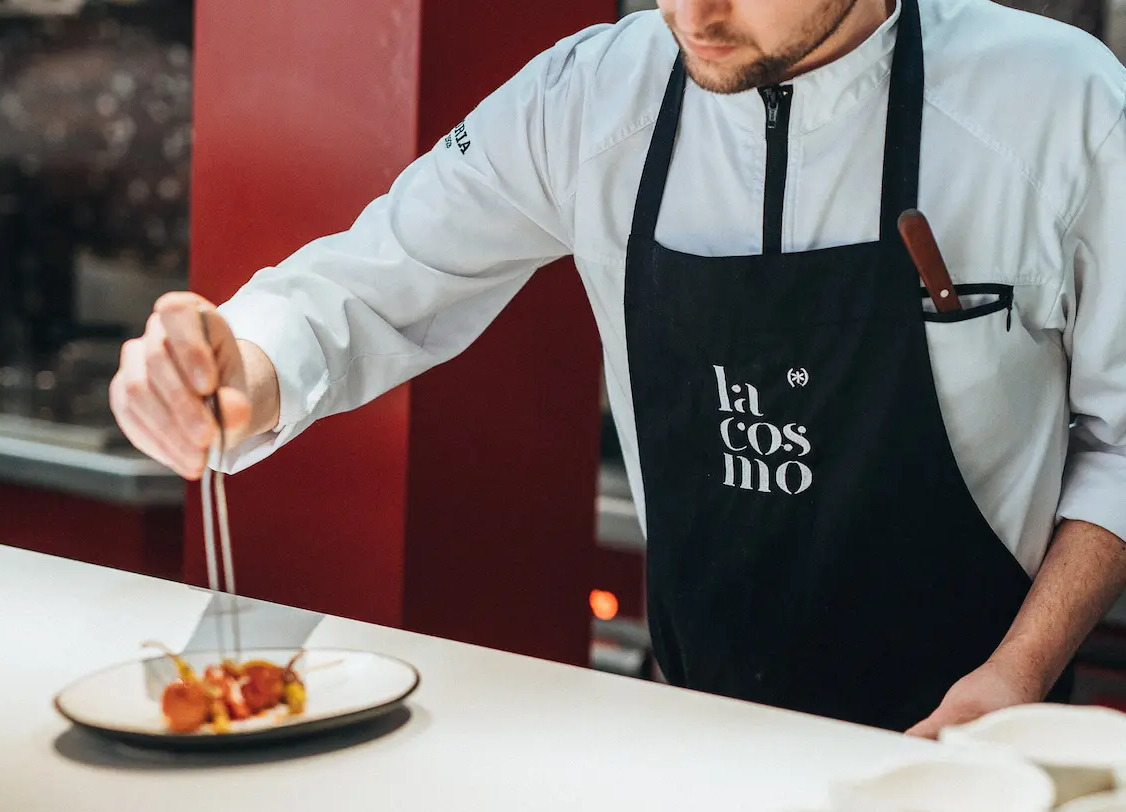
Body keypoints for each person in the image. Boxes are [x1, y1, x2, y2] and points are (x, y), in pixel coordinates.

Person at [109, 0, 1126, 736]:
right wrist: (235, 359)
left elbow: (1121, 438)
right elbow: (372, 280)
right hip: (693, 735)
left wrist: (1016, 679)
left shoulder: (1059, 106)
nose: (696, 12)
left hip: (986, 753)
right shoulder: (593, 96)